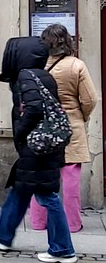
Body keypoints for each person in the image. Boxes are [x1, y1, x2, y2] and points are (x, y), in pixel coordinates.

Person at [0, 36, 76, 263]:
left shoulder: (26, 76)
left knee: (47, 197)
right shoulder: (44, 76)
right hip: (45, 146)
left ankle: (63, 249)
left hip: (37, 148)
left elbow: (33, 109)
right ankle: (3, 235)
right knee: (20, 189)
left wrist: (20, 133)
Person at [29, 24, 99, 233]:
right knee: (70, 177)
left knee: (40, 175)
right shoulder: (76, 65)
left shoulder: (35, 66)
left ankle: (38, 221)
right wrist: (82, 116)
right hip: (70, 127)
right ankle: (72, 223)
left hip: (42, 126)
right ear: (67, 41)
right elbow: (90, 99)